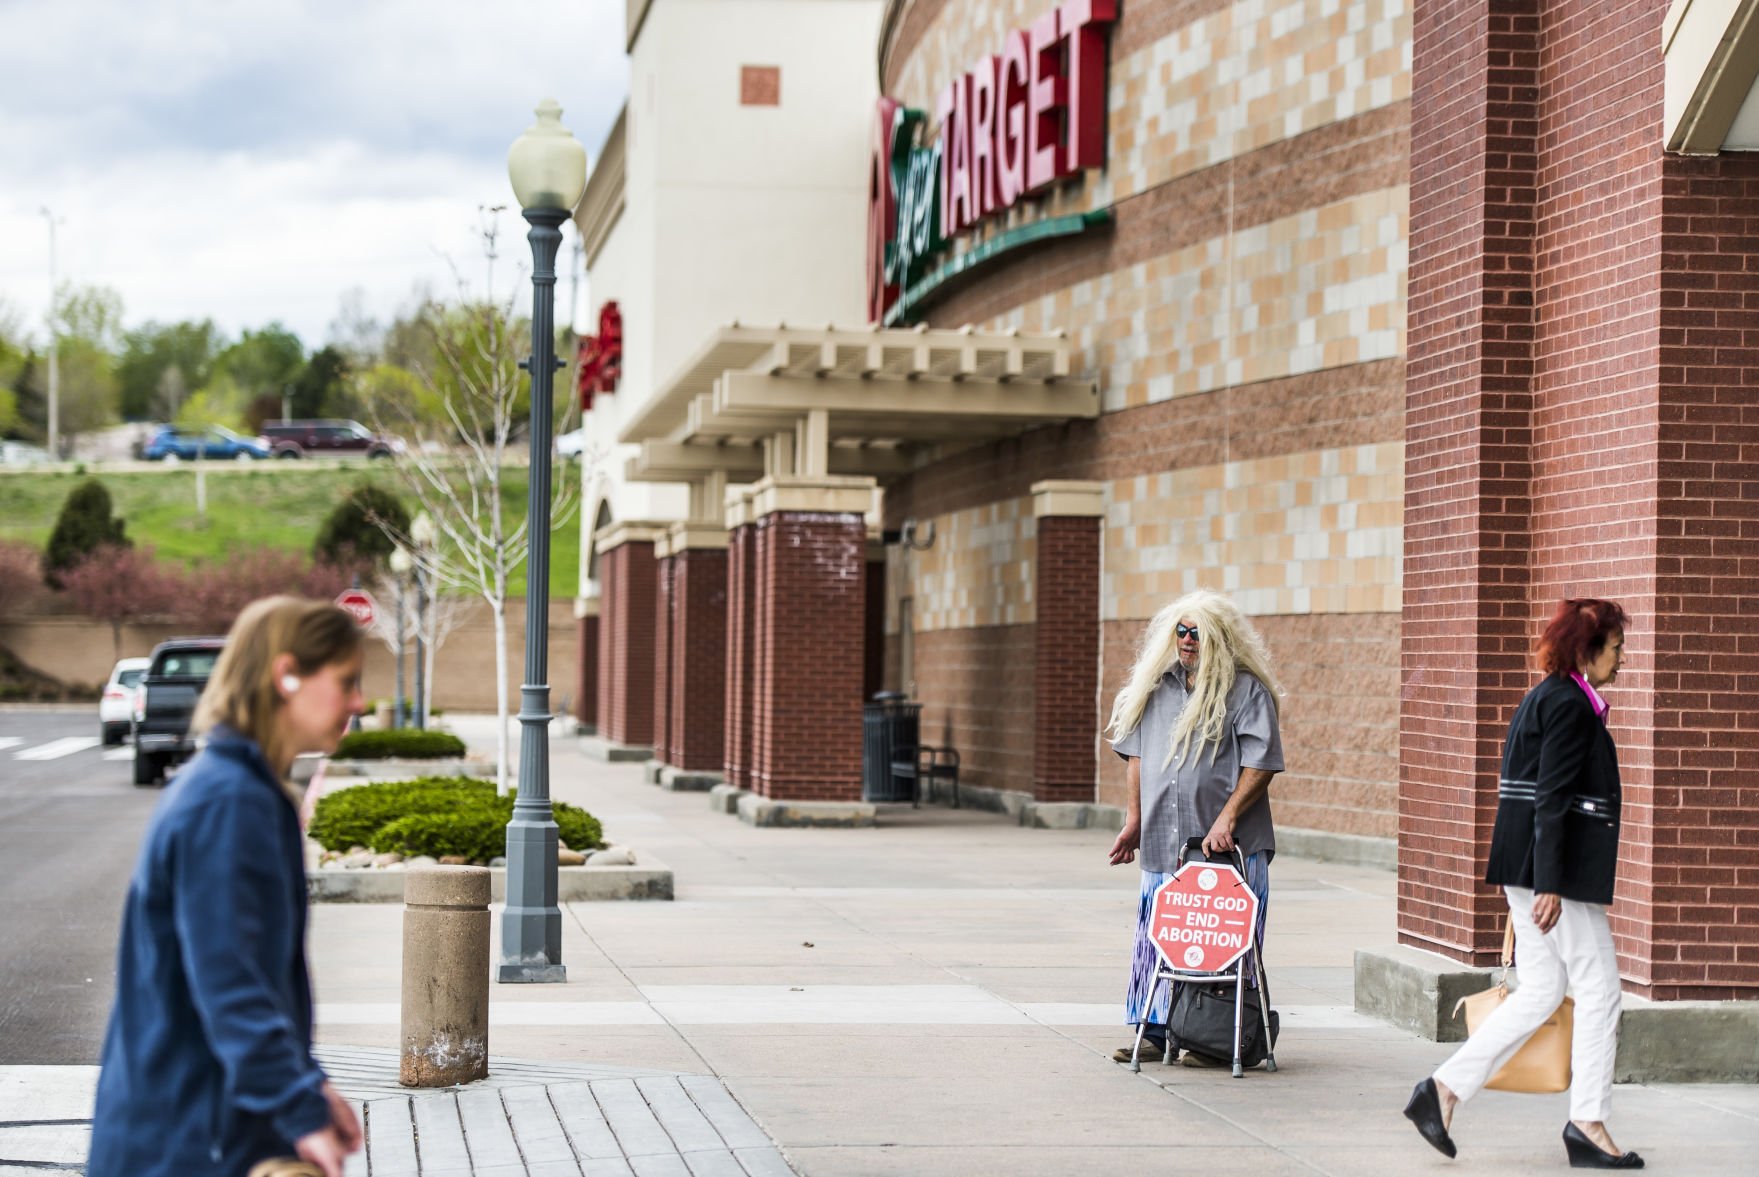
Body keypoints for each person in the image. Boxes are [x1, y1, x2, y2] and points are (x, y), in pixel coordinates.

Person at [87, 597, 367, 1177]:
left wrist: (310, 1085)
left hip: (196, 1127)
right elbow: (230, 982)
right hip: (187, 1139)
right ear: (286, 674)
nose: (359, 703)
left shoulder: (239, 791)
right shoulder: (229, 803)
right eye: (346, 681)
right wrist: (299, 1108)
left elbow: (250, 978)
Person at [1404, 598, 1642, 1170]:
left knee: (1540, 990)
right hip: (1551, 875)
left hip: (1531, 868)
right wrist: (1549, 884)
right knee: (1602, 989)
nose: (1622, 661)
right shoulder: (1568, 706)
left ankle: (1441, 1091)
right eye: (1616, 649)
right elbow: (1551, 797)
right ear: (1587, 650)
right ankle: (1587, 1120)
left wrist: (1534, 881)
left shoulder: (1547, 696)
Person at [1105, 590, 1284, 1065]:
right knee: (1158, 938)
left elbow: (1261, 764)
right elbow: (1138, 758)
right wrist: (1134, 822)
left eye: (1198, 633)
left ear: (1219, 638)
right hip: (1166, 840)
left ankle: (1215, 1038)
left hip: (1227, 849)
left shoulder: (1246, 691)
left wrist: (1227, 817)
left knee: (1222, 942)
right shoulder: (1156, 687)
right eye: (1181, 631)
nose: (1187, 641)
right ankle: (1157, 1030)